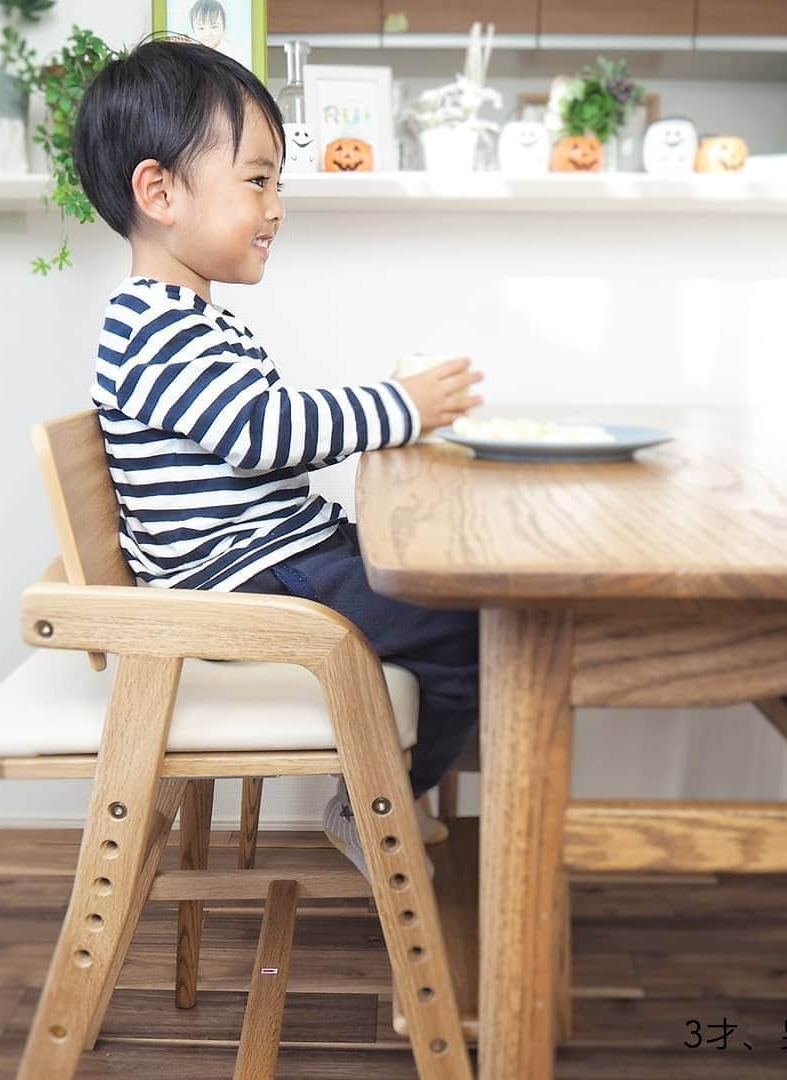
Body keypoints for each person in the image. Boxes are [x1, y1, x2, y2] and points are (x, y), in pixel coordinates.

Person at [72, 41, 484, 879]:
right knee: (469, 628)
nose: (277, 207)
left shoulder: (191, 321)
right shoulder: (148, 328)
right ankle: (379, 799)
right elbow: (265, 432)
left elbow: (260, 437)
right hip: (246, 583)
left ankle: (385, 790)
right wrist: (398, 406)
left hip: (272, 561)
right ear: (160, 192)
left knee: (442, 586)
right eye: (257, 180)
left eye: (277, 184)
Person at [187, 0, 245, 65]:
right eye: (201, 28)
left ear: (224, 27)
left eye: (214, 27)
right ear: (193, 30)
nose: (208, 33)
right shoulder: (191, 53)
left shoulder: (232, 52)